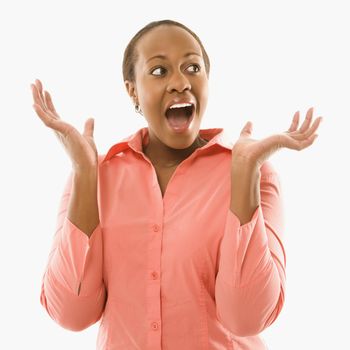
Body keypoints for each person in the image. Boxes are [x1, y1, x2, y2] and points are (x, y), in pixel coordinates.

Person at [31, 19, 323, 350]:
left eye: (192, 67)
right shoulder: (95, 176)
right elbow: (71, 313)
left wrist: (243, 175)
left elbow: (247, 317)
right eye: (159, 71)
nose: (180, 82)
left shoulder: (257, 174)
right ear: (132, 91)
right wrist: (85, 172)